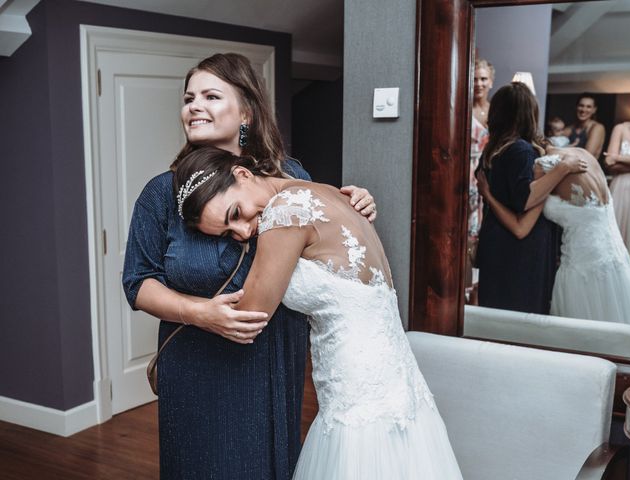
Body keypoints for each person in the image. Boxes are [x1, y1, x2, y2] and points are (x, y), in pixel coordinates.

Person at [122, 53, 377, 480]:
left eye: (210, 95)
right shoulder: (161, 195)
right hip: (195, 369)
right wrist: (200, 313)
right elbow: (138, 283)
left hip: (272, 359)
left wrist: (356, 205)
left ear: (246, 112)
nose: (194, 106)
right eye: (189, 98)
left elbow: (330, 244)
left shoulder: (290, 176)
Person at [174, 146, 464, 480]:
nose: (242, 233)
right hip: (396, 377)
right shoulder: (326, 192)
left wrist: (196, 310)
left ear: (242, 174)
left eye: (235, 214)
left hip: (356, 385)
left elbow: (249, 317)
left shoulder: (284, 212)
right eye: (227, 234)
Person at [477, 145, 630, 326]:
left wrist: (488, 194)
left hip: (581, 270)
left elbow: (520, 228)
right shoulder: (584, 155)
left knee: (579, 337)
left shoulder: (546, 167)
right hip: (617, 265)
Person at [475, 82, 586, 314]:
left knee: (495, 313)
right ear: (528, 114)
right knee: (520, 318)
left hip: (496, 241)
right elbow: (524, 199)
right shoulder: (520, 150)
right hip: (519, 252)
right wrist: (562, 169)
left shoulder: (493, 150)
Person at [466, 58, 494, 302]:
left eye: (483, 78)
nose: (478, 83)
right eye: (475, 78)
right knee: (466, 229)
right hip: (465, 172)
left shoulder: (496, 111)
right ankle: (465, 285)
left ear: (491, 81)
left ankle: (480, 290)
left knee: (485, 227)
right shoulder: (463, 109)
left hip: (488, 172)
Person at [605, 86, 630, 273]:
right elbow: (609, 162)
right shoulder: (621, 128)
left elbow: (614, 157)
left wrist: (619, 157)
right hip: (621, 189)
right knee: (616, 234)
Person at [563, 92, 606, 160]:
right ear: (576, 107)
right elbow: (554, 146)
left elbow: (587, 156)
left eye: (588, 107)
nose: (583, 110)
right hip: (568, 168)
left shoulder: (597, 128)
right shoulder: (570, 128)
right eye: (581, 105)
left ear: (594, 110)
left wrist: (563, 151)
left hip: (588, 169)